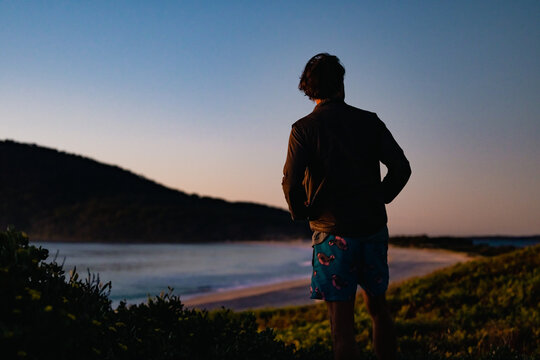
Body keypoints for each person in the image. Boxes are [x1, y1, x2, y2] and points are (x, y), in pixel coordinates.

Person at [282, 53, 411, 360]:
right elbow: (401, 168)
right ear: (340, 84)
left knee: (342, 327)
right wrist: (379, 198)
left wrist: (302, 212)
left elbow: (291, 181)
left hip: (332, 235)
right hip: (372, 229)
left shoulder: (304, 128)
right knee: (379, 310)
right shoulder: (369, 121)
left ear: (308, 89)